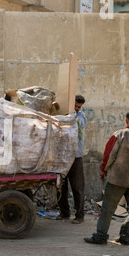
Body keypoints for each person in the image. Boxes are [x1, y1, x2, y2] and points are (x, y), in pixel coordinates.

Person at [84, 110, 129, 245]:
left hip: (117, 178)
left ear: (126, 120)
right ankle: (127, 237)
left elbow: (109, 154)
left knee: (108, 208)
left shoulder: (120, 134)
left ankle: (101, 236)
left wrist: (103, 170)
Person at [57, 95, 87, 224]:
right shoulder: (61, 115)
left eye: (78, 107)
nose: (76, 108)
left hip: (76, 156)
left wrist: (73, 114)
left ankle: (79, 215)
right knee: (60, 187)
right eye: (74, 106)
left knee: (77, 187)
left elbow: (79, 124)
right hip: (62, 157)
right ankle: (64, 213)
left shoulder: (80, 116)